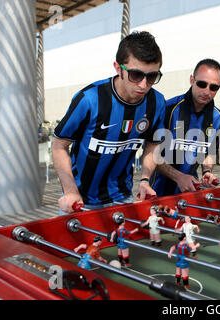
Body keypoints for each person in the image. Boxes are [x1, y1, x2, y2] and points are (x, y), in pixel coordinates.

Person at [52, 31, 166, 214]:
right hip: (80, 201)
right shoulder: (89, 99)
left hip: (123, 197)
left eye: (152, 77)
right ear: (118, 68)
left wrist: (144, 179)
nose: (144, 85)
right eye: (136, 75)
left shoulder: (156, 102)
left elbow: (152, 145)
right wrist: (70, 191)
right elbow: (59, 145)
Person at [151, 59, 220, 196]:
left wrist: (207, 172)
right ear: (192, 80)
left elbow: (210, 153)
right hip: (158, 192)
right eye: (202, 84)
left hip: (190, 192)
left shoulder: (218, 117)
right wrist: (179, 177)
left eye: (214, 87)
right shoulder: (168, 109)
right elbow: (152, 154)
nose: (207, 91)